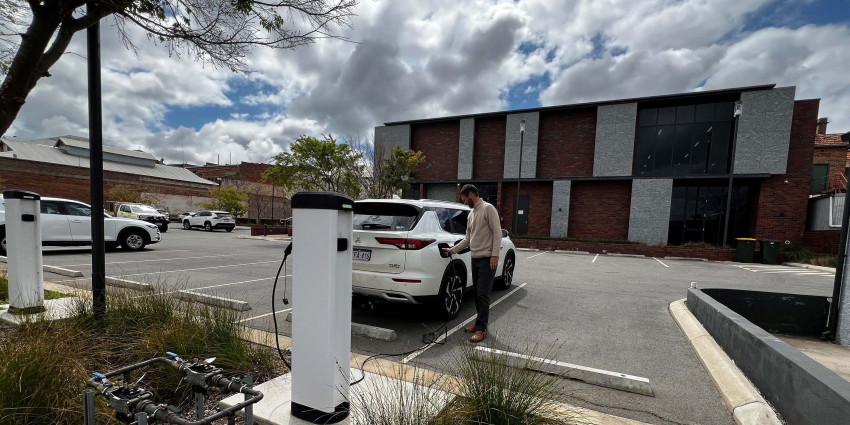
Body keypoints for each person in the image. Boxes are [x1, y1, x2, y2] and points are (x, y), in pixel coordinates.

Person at [442, 184, 502, 343]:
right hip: (475, 259)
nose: (463, 201)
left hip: (487, 259)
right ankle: (479, 324)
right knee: (477, 293)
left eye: (463, 198)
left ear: (470, 194)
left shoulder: (488, 209)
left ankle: (482, 330)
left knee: (483, 294)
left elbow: (497, 233)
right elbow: (467, 239)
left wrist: (494, 255)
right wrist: (452, 250)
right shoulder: (471, 214)